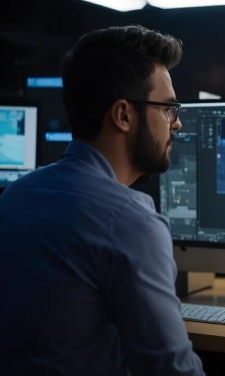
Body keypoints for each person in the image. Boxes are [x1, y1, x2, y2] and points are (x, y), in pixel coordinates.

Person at [0, 25, 205, 376]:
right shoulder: (130, 221)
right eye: (168, 109)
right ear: (123, 115)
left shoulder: (15, 196)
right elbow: (172, 369)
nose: (177, 124)